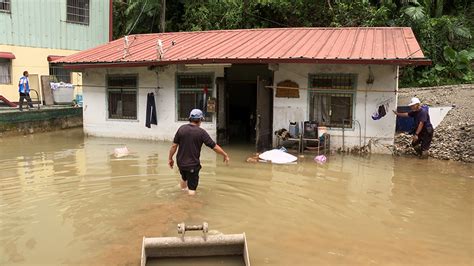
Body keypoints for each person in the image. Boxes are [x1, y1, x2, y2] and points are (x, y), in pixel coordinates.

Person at [168, 109, 230, 195]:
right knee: (192, 189)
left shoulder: (181, 129)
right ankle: (188, 205)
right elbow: (214, 147)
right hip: (192, 165)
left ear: (190, 118)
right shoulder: (201, 133)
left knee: (184, 178)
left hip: (181, 163)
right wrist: (224, 154)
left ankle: (181, 195)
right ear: (200, 119)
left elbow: (174, 146)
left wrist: (170, 159)